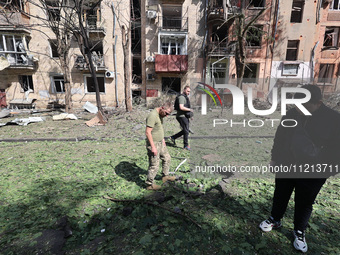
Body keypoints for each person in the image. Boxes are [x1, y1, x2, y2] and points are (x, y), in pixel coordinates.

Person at [259, 85, 340, 253]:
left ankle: (299, 231)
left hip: (314, 171)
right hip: (286, 165)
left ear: (318, 102)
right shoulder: (291, 114)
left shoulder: (333, 119)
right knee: (281, 193)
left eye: (305, 105)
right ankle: (275, 218)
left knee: (304, 201)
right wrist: (274, 158)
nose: (300, 109)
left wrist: (330, 169)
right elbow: (280, 136)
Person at [145, 102, 176, 190]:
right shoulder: (153, 115)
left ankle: (165, 176)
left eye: (168, 114)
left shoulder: (160, 115)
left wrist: (162, 140)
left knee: (167, 158)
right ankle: (149, 184)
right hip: (154, 143)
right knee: (154, 165)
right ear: (162, 108)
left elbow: (159, 128)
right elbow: (148, 132)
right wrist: (153, 147)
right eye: (166, 113)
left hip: (160, 142)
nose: (166, 116)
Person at [169, 86, 194, 150]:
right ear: (184, 90)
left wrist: (190, 116)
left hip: (184, 116)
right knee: (186, 131)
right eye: (188, 91)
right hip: (181, 116)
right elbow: (181, 107)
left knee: (186, 130)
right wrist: (190, 110)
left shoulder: (185, 97)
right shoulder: (182, 97)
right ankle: (186, 145)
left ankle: (173, 137)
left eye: (189, 92)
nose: (188, 93)